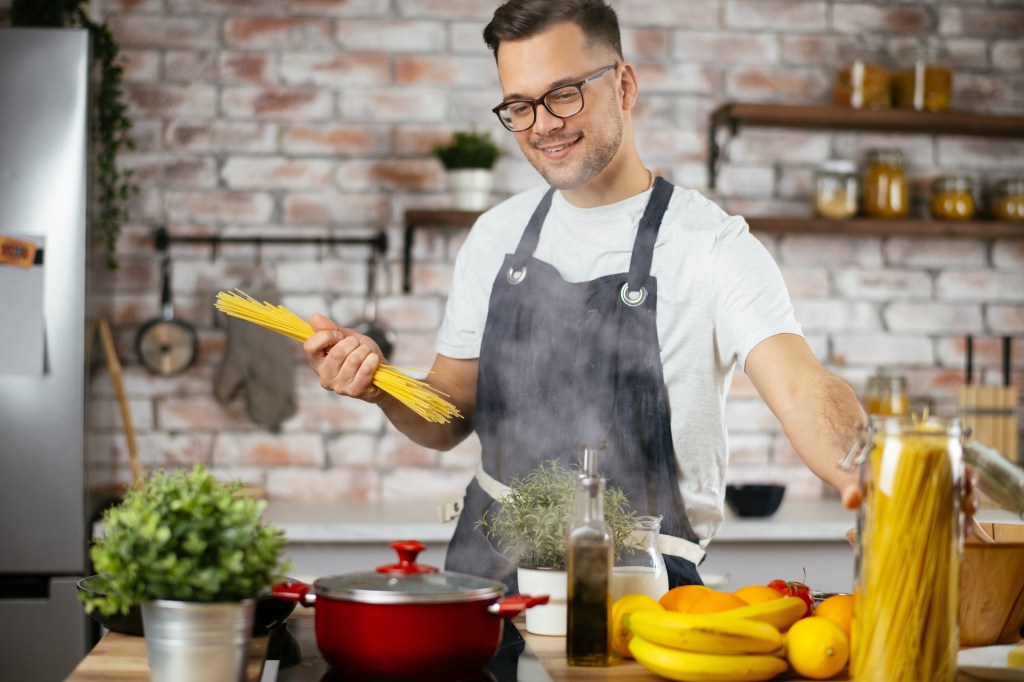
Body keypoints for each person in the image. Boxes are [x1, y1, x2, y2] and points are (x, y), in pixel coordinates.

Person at [303, 0, 966, 590]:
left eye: (563, 93)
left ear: (623, 84)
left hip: (639, 591)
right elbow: (449, 417)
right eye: (520, 105)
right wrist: (378, 384)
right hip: (489, 583)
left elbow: (801, 386)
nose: (542, 125)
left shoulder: (711, 246)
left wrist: (872, 471)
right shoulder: (496, 237)